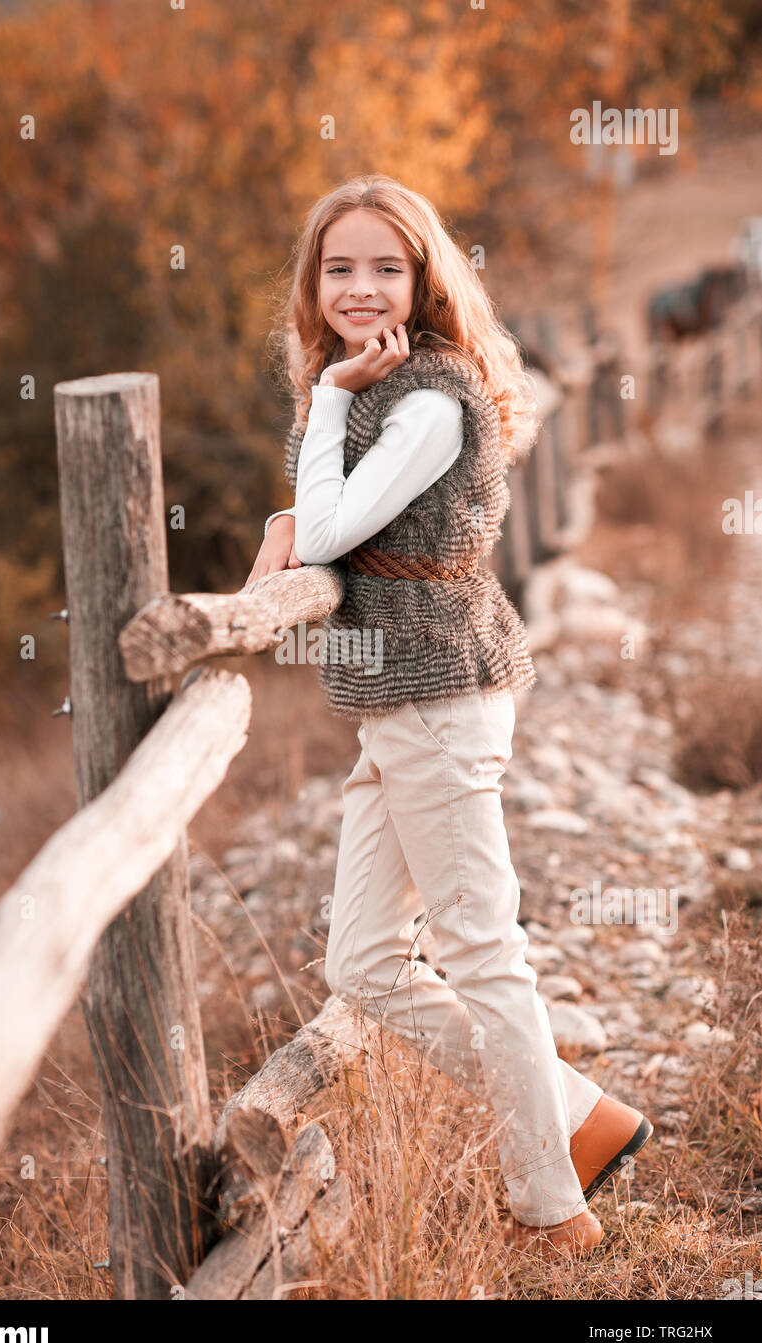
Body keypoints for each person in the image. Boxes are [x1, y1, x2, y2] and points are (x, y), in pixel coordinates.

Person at [245, 174, 652, 1258]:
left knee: (482, 952)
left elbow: (334, 535)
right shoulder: (381, 388)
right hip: (404, 710)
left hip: (437, 704)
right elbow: (334, 514)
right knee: (365, 964)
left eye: (387, 266)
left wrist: (324, 421)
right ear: (313, 281)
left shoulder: (421, 398)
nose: (362, 287)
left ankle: (550, 1205)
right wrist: (299, 502)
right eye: (340, 268)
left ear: (424, 278)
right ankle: (574, 1112)